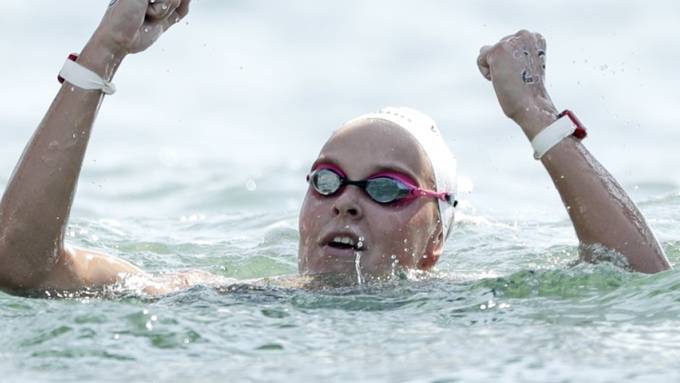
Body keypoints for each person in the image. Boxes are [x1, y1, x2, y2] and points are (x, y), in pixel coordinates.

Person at [0, 0, 671, 296]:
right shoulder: (228, 296)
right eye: (327, 181)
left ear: (434, 242)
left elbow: (640, 275)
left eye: (386, 190)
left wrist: (537, 116)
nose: (346, 203)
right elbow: (24, 267)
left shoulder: (467, 303)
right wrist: (104, 54)